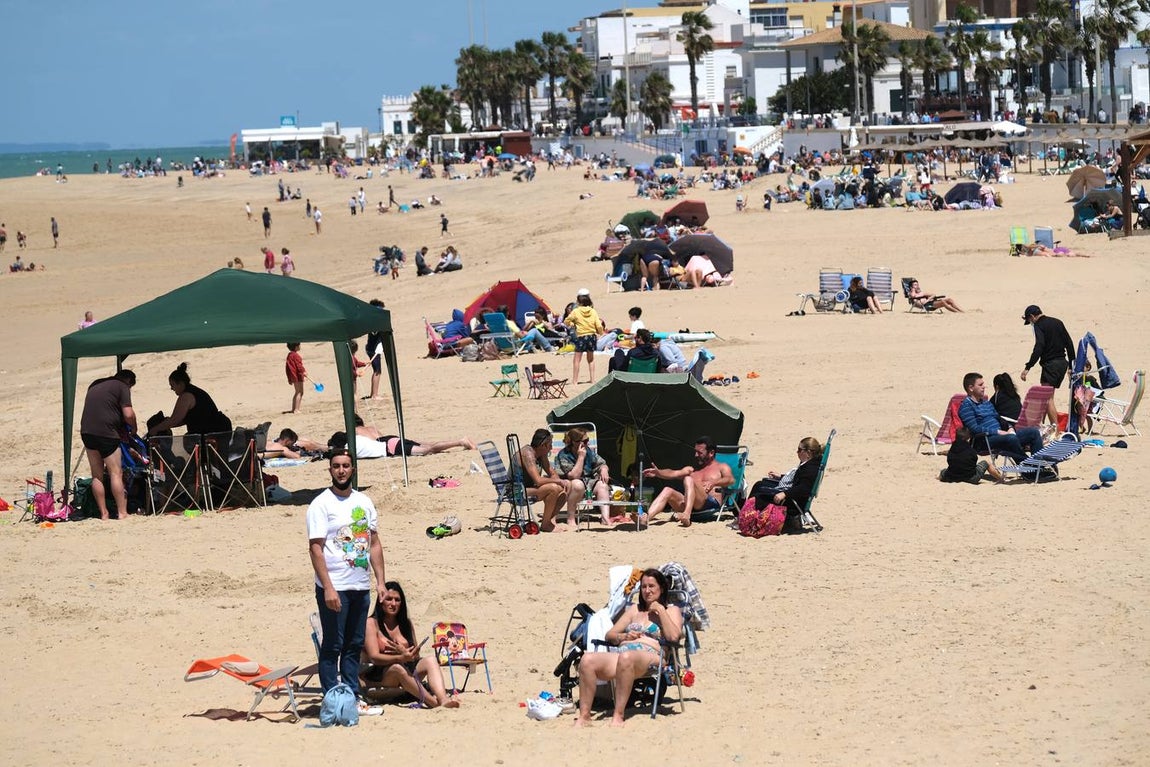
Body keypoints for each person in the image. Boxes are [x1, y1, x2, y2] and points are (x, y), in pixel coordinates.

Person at [307, 450, 386, 715]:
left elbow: (374, 543)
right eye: (336, 466)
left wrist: (381, 582)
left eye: (346, 466)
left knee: (354, 644)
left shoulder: (364, 501)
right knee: (333, 644)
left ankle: (352, 697)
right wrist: (328, 587)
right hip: (335, 586)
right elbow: (315, 549)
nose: (341, 471)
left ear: (353, 469)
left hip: (359, 585)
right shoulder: (321, 504)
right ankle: (333, 698)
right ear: (329, 470)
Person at [573, 568, 683, 728]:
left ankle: (618, 715)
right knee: (587, 659)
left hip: (652, 656)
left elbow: (674, 637)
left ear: (662, 588)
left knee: (627, 657)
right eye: (644, 587)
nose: (647, 590)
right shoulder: (634, 610)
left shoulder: (671, 610)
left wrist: (660, 610)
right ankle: (585, 716)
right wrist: (624, 636)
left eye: (651, 586)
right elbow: (610, 635)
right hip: (623, 653)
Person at [360, 581, 460, 708]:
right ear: (381, 601)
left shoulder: (406, 623)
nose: (393, 604)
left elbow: (415, 656)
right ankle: (433, 702)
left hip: (407, 668)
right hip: (380, 674)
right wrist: (399, 657)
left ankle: (443, 698)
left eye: (397, 600)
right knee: (397, 668)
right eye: (389, 599)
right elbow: (374, 657)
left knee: (430, 660)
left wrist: (408, 654)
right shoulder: (371, 623)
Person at [79, 369, 137, 520]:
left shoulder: (95, 384)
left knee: (96, 475)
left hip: (87, 432)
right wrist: (134, 427)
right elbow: (128, 414)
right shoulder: (122, 387)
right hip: (107, 433)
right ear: (129, 381)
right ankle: (122, 513)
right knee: (115, 473)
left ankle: (104, 513)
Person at [643, 436, 734, 527]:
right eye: (695, 452)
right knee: (667, 490)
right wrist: (658, 473)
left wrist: (714, 482)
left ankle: (686, 514)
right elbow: (673, 473)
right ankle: (646, 518)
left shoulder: (721, 467)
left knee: (688, 478)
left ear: (711, 453)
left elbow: (730, 480)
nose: (696, 455)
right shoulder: (692, 469)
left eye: (699, 453)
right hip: (691, 505)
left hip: (710, 504)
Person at [958, 372, 1043, 464]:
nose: (984, 387)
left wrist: (1009, 427)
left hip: (1001, 436)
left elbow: (999, 418)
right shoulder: (966, 406)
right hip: (984, 441)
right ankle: (1029, 469)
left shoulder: (986, 403)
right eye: (980, 385)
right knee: (1010, 439)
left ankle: (1039, 465)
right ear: (971, 388)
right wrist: (999, 432)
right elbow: (974, 428)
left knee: (1033, 432)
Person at [751, 436, 823, 533]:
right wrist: (781, 476)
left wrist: (784, 494)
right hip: (794, 496)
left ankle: (748, 519)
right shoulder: (810, 464)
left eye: (799, 450)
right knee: (759, 484)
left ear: (808, 453)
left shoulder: (810, 469)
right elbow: (798, 481)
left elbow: (803, 488)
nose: (797, 452)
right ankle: (746, 517)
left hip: (794, 502)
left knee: (759, 495)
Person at [513, 428, 580, 532]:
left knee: (566, 486)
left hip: (530, 488)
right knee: (553, 488)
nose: (551, 448)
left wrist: (562, 483)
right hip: (517, 491)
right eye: (550, 445)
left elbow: (552, 473)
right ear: (543, 445)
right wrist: (558, 482)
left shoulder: (541, 453)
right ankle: (545, 525)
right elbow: (538, 481)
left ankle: (550, 520)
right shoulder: (528, 455)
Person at [554, 427, 624, 526]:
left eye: (588, 440)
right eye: (585, 441)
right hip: (571, 484)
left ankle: (605, 518)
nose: (588, 443)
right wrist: (581, 457)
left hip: (589, 481)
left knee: (603, 486)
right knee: (578, 484)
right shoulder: (564, 455)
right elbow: (573, 476)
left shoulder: (589, 451)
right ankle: (571, 518)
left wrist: (604, 469)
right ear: (575, 442)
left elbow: (601, 463)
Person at [1021, 304, 1075, 425]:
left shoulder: (1038, 325)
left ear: (1032, 317)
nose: (1030, 323)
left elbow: (1039, 346)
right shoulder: (1058, 322)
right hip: (1062, 363)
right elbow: (1069, 344)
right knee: (1048, 397)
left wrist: (1028, 367)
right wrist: (1071, 366)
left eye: (1029, 321)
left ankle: (1055, 430)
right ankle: (1045, 425)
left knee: (1047, 398)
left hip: (1051, 365)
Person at [145, 362, 232, 437]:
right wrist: (165, 424)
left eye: (172, 385)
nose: (171, 388)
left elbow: (175, 419)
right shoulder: (192, 391)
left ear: (180, 383)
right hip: (215, 430)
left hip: (214, 432)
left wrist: (155, 429)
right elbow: (183, 420)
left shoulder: (186, 396)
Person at [329, 418, 476, 459]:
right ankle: (459, 442)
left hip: (388, 446)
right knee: (428, 444)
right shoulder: (370, 428)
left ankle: (460, 441)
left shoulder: (354, 432)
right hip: (391, 438)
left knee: (428, 450)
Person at [565, 289, 605, 385]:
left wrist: (572, 324)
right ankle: (592, 379)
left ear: (578, 301)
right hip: (592, 336)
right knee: (590, 359)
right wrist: (600, 332)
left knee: (577, 359)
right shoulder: (593, 311)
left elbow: (566, 320)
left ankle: (575, 381)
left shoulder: (576, 311)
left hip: (581, 336)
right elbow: (598, 325)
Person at [363, 299, 391, 400]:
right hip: (373, 349)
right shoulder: (372, 322)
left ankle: (373, 393)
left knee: (377, 370)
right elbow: (374, 332)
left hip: (373, 348)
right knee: (377, 371)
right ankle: (374, 395)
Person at [285, 343, 306, 414]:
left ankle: (294, 409)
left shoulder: (289, 355)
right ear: (296, 347)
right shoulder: (295, 356)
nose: (300, 346)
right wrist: (304, 371)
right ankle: (296, 409)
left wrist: (289, 378)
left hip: (293, 376)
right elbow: (299, 366)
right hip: (297, 376)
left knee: (297, 392)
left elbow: (287, 368)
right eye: (299, 345)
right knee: (300, 392)